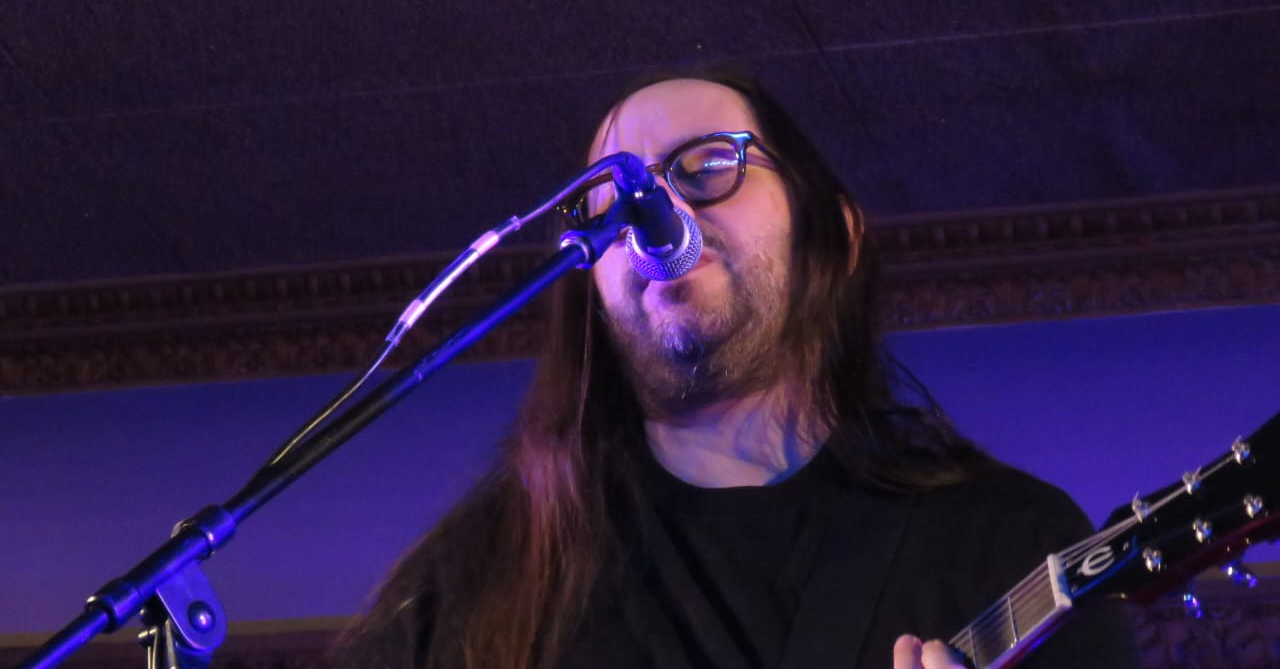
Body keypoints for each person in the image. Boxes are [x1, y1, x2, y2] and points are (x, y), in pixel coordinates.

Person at [328, 72, 1139, 669]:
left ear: (833, 237)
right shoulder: (474, 581)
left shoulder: (1008, 544)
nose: (654, 215)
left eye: (708, 167)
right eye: (609, 204)